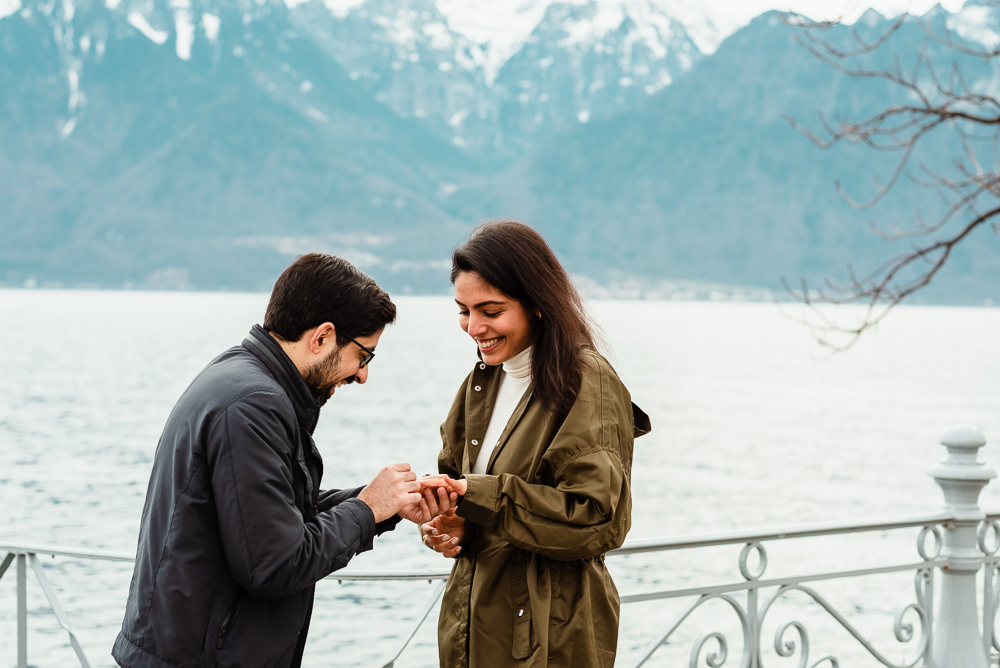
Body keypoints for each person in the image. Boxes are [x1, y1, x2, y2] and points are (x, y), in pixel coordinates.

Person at [113, 253, 451, 668]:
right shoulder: (254, 404)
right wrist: (367, 509)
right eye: (364, 356)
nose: (362, 375)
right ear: (323, 337)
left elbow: (276, 516)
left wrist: (388, 503)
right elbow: (276, 563)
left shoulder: (238, 377)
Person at [419, 221, 651, 668]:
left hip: (551, 637)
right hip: (472, 627)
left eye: (491, 310)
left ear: (538, 304)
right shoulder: (480, 383)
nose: (473, 327)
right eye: (464, 310)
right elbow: (461, 489)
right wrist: (452, 524)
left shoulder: (585, 381)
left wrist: (478, 497)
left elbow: (596, 520)